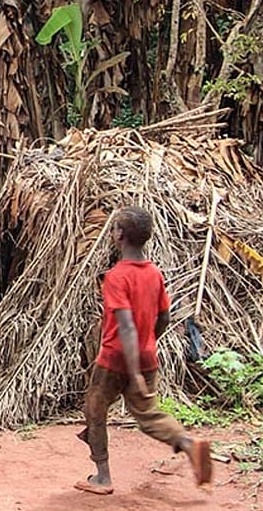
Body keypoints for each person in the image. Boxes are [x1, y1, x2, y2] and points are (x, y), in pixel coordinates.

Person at [76, 206, 212, 495]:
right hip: (148, 356)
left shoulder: (116, 277)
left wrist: (133, 368)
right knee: (148, 414)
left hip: (115, 358)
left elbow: (124, 326)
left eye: (114, 229)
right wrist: (148, 345)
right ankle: (189, 444)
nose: (112, 233)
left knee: (95, 409)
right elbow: (164, 317)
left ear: (120, 236)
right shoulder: (154, 274)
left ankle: (102, 477)